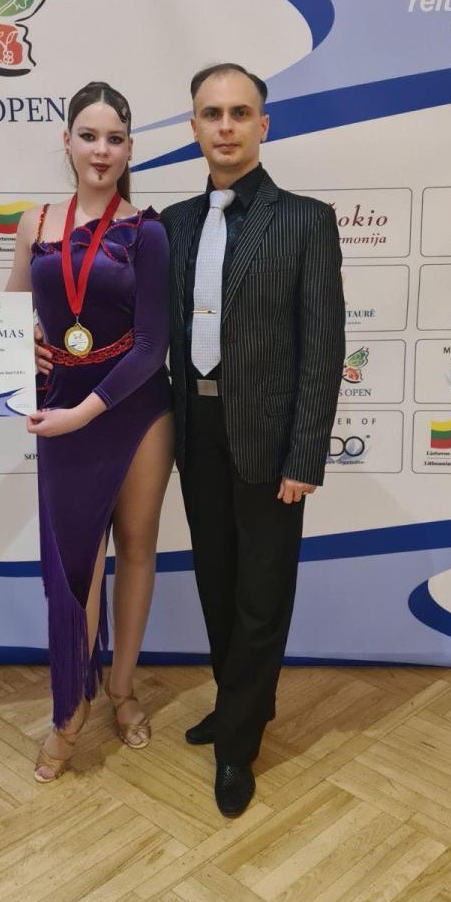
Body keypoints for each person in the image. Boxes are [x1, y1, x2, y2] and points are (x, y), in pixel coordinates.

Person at [0, 82, 173, 781]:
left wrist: (84, 412)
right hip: (61, 406)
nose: (101, 150)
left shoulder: (148, 231)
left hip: (135, 407)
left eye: (114, 138)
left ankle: (122, 690)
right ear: (67, 142)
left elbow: (152, 345)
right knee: (74, 566)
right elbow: (10, 312)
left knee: (137, 550)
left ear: (129, 149)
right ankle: (70, 712)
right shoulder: (36, 223)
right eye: (89, 135)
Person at [160, 63, 345, 817]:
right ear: (194, 127)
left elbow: (323, 349)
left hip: (270, 441)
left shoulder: (305, 220)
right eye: (213, 113)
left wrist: (305, 455)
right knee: (216, 582)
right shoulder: (170, 224)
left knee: (262, 595)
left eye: (240, 113)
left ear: (263, 126)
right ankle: (237, 700)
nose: (226, 126)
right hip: (194, 429)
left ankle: (238, 745)